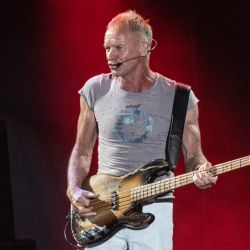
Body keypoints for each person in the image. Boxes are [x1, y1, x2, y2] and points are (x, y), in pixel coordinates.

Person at [66, 10, 218, 250]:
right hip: (103, 206)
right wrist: (73, 188)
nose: (110, 55)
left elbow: (193, 155)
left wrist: (201, 170)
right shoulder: (94, 89)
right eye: (107, 48)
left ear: (144, 46)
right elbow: (82, 149)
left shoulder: (180, 97)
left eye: (118, 47)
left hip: (155, 204)